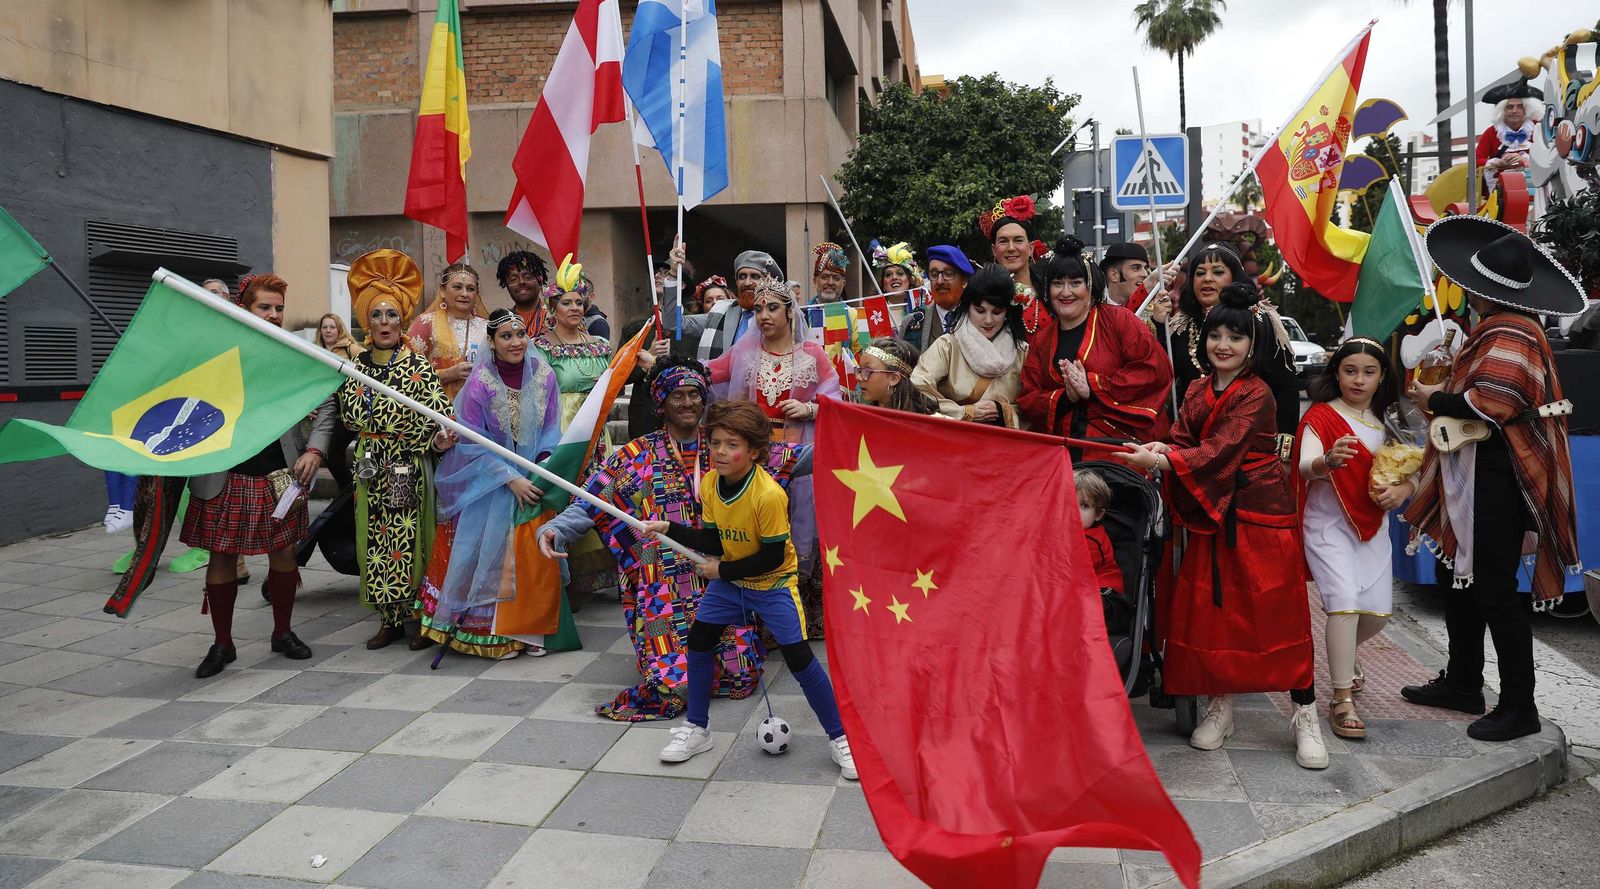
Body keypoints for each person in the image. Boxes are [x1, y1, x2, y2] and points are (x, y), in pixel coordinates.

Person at [1115, 283, 1325, 770]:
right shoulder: (1196, 388)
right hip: (1214, 511)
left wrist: (1163, 461)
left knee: (1277, 612)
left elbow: (1219, 450)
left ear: (1252, 344)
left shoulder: (1257, 394)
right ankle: (1221, 705)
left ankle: (1305, 712)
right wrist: (1162, 448)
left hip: (1260, 513)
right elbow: (1185, 438)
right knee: (1216, 610)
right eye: (1215, 335)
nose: (1223, 345)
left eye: (1235, 336)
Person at [1400, 219, 1583, 742]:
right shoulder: (1504, 326)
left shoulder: (1510, 330)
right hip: (1480, 469)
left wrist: (1433, 398)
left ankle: (1520, 706)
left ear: (1482, 290)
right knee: (1456, 577)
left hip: (1501, 473)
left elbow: (1494, 401)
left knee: (1494, 590)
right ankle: (1463, 681)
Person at [538, 357, 795, 720]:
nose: (688, 402)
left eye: (694, 394)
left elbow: (789, 459)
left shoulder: (722, 444)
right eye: (677, 395)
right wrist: (554, 530)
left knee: (740, 677)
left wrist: (852, 438)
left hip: (717, 573)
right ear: (661, 403)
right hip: (662, 581)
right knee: (674, 683)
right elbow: (592, 500)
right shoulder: (636, 455)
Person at [644, 401, 856, 780]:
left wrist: (720, 570)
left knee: (799, 660)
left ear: (755, 451)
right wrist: (670, 529)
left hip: (773, 584)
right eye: (715, 443)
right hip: (731, 583)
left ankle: (840, 737)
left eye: (732, 445)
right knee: (699, 642)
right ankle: (698, 729)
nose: (720, 452)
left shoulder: (768, 495)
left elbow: (771, 557)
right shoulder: (710, 484)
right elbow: (713, 539)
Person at [179, 273, 334, 677]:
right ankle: (222, 644)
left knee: (283, 554)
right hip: (224, 472)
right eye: (265, 307)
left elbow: (326, 401)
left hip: (279, 473)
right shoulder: (216, 353)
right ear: (244, 308)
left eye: (279, 308)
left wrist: (315, 449)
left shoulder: (295, 353)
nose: (274, 314)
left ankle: (283, 632)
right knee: (222, 556)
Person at [417, 309, 564, 659]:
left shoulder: (544, 376)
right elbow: (471, 441)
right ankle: (488, 633)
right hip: (487, 481)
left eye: (520, 334)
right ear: (492, 342)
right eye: (506, 336)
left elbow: (551, 429)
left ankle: (530, 628)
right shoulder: (480, 382)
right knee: (487, 552)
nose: (515, 342)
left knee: (531, 554)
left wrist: (541, 467)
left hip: (533, 477)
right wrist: (510, 478)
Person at [338, 249, 456, 650]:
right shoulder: (357, 369)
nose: (385, 321)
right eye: (376, 315)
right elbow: (350, 415)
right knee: (374, 541)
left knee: (410, 541)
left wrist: (426, 437)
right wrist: (390, 425)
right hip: (370, 468)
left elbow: (438, 417)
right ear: (366, 322)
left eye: (391, 314)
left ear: (402, 320)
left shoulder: (418, 366)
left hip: (407, 468)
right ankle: (388, 620)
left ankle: (420, 619)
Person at [708, 275, 837, 638]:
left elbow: (835, 397)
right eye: (759, 308)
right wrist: (665, 362)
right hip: (756, 454)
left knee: (801, 523)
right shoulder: (745, 353)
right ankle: (761, 618)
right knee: (761, 525)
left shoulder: (812, 354)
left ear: (790, 312)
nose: (764, 315)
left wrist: (811, 409)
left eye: (773, 308)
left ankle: (807, 615)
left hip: (800, 454)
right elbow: (709, 372)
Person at [1292, 338, 1406, 740]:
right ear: (1336, 374)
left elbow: (1416, 469)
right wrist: (1328, 460)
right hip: (1327, 525)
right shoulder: (1322, 416)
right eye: (1350, 371)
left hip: (1374, 527)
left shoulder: (1393, 420)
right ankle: (1341, 699)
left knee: (1377, 613)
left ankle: (1345, 655)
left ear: (1383, 377)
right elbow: (1304, 467)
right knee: (1343, 604)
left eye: (1369, 372)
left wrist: (1404, 490)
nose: (1359, 380)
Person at [532, 256, 657, 621]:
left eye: (579, 301)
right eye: (566, 302)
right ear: (552, 307)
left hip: (597, 433)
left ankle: (611, 572)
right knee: (566, 498)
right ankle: (567, 577)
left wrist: (646, 361)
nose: (574, 307)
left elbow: (617, 378)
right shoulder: (541, 346)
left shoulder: (600, 345)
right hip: (563, 432)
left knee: (604, 495)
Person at [1018, 238, 1174, 447]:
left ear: (1090, 286)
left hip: (1119, 450)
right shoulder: (1041, 340)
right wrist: (1066, 397)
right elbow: (1028, 399)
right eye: (1057, 283)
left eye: (1075, 283)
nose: (1065, 292)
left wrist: (1093, 385)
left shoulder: (1120, 320)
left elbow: (1154, 371)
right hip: (1063, 451)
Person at [1152, 243, 1300, 440]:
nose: (1207, 279)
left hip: (1250, 439)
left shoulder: (1258, 320)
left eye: (1218, 272)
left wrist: (1284, 444)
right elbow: (1159, 375)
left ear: (1235, 277)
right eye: (1200, 273)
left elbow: (1285, 385)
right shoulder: (1180, 325)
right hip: (1191, 439)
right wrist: (1159, 324)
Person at [909, 264, 1028, 427]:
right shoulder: (948, 346)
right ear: (968, 307)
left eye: (997, 312)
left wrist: (1003, 411)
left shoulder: (1022, 352)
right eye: (980, 310)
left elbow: (1031, 407)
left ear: (1007, 312)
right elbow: (917, 388)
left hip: (1002, 439)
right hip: (955, 436)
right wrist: (964, 412)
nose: (988, 320)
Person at [666, 249, 784, 361]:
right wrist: (673, 275)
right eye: (742, 277)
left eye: (755, 276)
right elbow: (673, 323)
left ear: (769, 283)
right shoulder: (720, 311)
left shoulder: (782, 317)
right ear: (737, 282)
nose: (747, 282)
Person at [408, 262, 490, 400]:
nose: (464, 294)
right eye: (457, 287)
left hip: (480, 405)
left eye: (470, 289)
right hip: (436, 407)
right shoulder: (425, 323)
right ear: (442, 291)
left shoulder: (488, 327)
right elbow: (407, 373)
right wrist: (447, 374)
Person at [978, 195, 1050, 337]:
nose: (1011, 248)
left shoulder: (1049, 291)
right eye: (1003, 241)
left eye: (1018, 240)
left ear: (1031, 248)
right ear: (994, 250)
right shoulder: (982, 293)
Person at [1077, 469, 1129, 640]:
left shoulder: (1092, 541)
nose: (1075, 511)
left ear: (1098, 514)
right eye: (1069, 502)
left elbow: (1072, 571)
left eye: (1084, 506)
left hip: (1107, 599)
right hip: (1083, 594)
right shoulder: (1067, 533)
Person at [899, 244, 971, 356]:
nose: (940, 281)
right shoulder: (911, 324)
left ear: (964, 280)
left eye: (948, 274)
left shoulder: (979, 319)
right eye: (934, 274)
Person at [1475, 81, 1543, 194]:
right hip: (1500, 191)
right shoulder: (1491, 132)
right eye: (1510, 107)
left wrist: (1524, 162)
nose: (1515, 111)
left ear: (1527, 109)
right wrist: (1497, 163)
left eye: (1520, 107)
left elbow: (1549, 157)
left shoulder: (1539, 128)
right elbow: (1476, 160)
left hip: (1536, 190)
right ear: (1502, 111)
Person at [858, 337, 939, 415]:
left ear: (893, 379)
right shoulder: (863, 416)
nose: (858, 377)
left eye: (867, 371)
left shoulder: (929, 420)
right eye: (860, 370)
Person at [497, 251, 551, 336]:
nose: (521, 282)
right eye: (513, 279)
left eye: (527, 277)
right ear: (507, 286)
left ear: (540, 280)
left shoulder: (554, 318)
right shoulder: (502, 323)